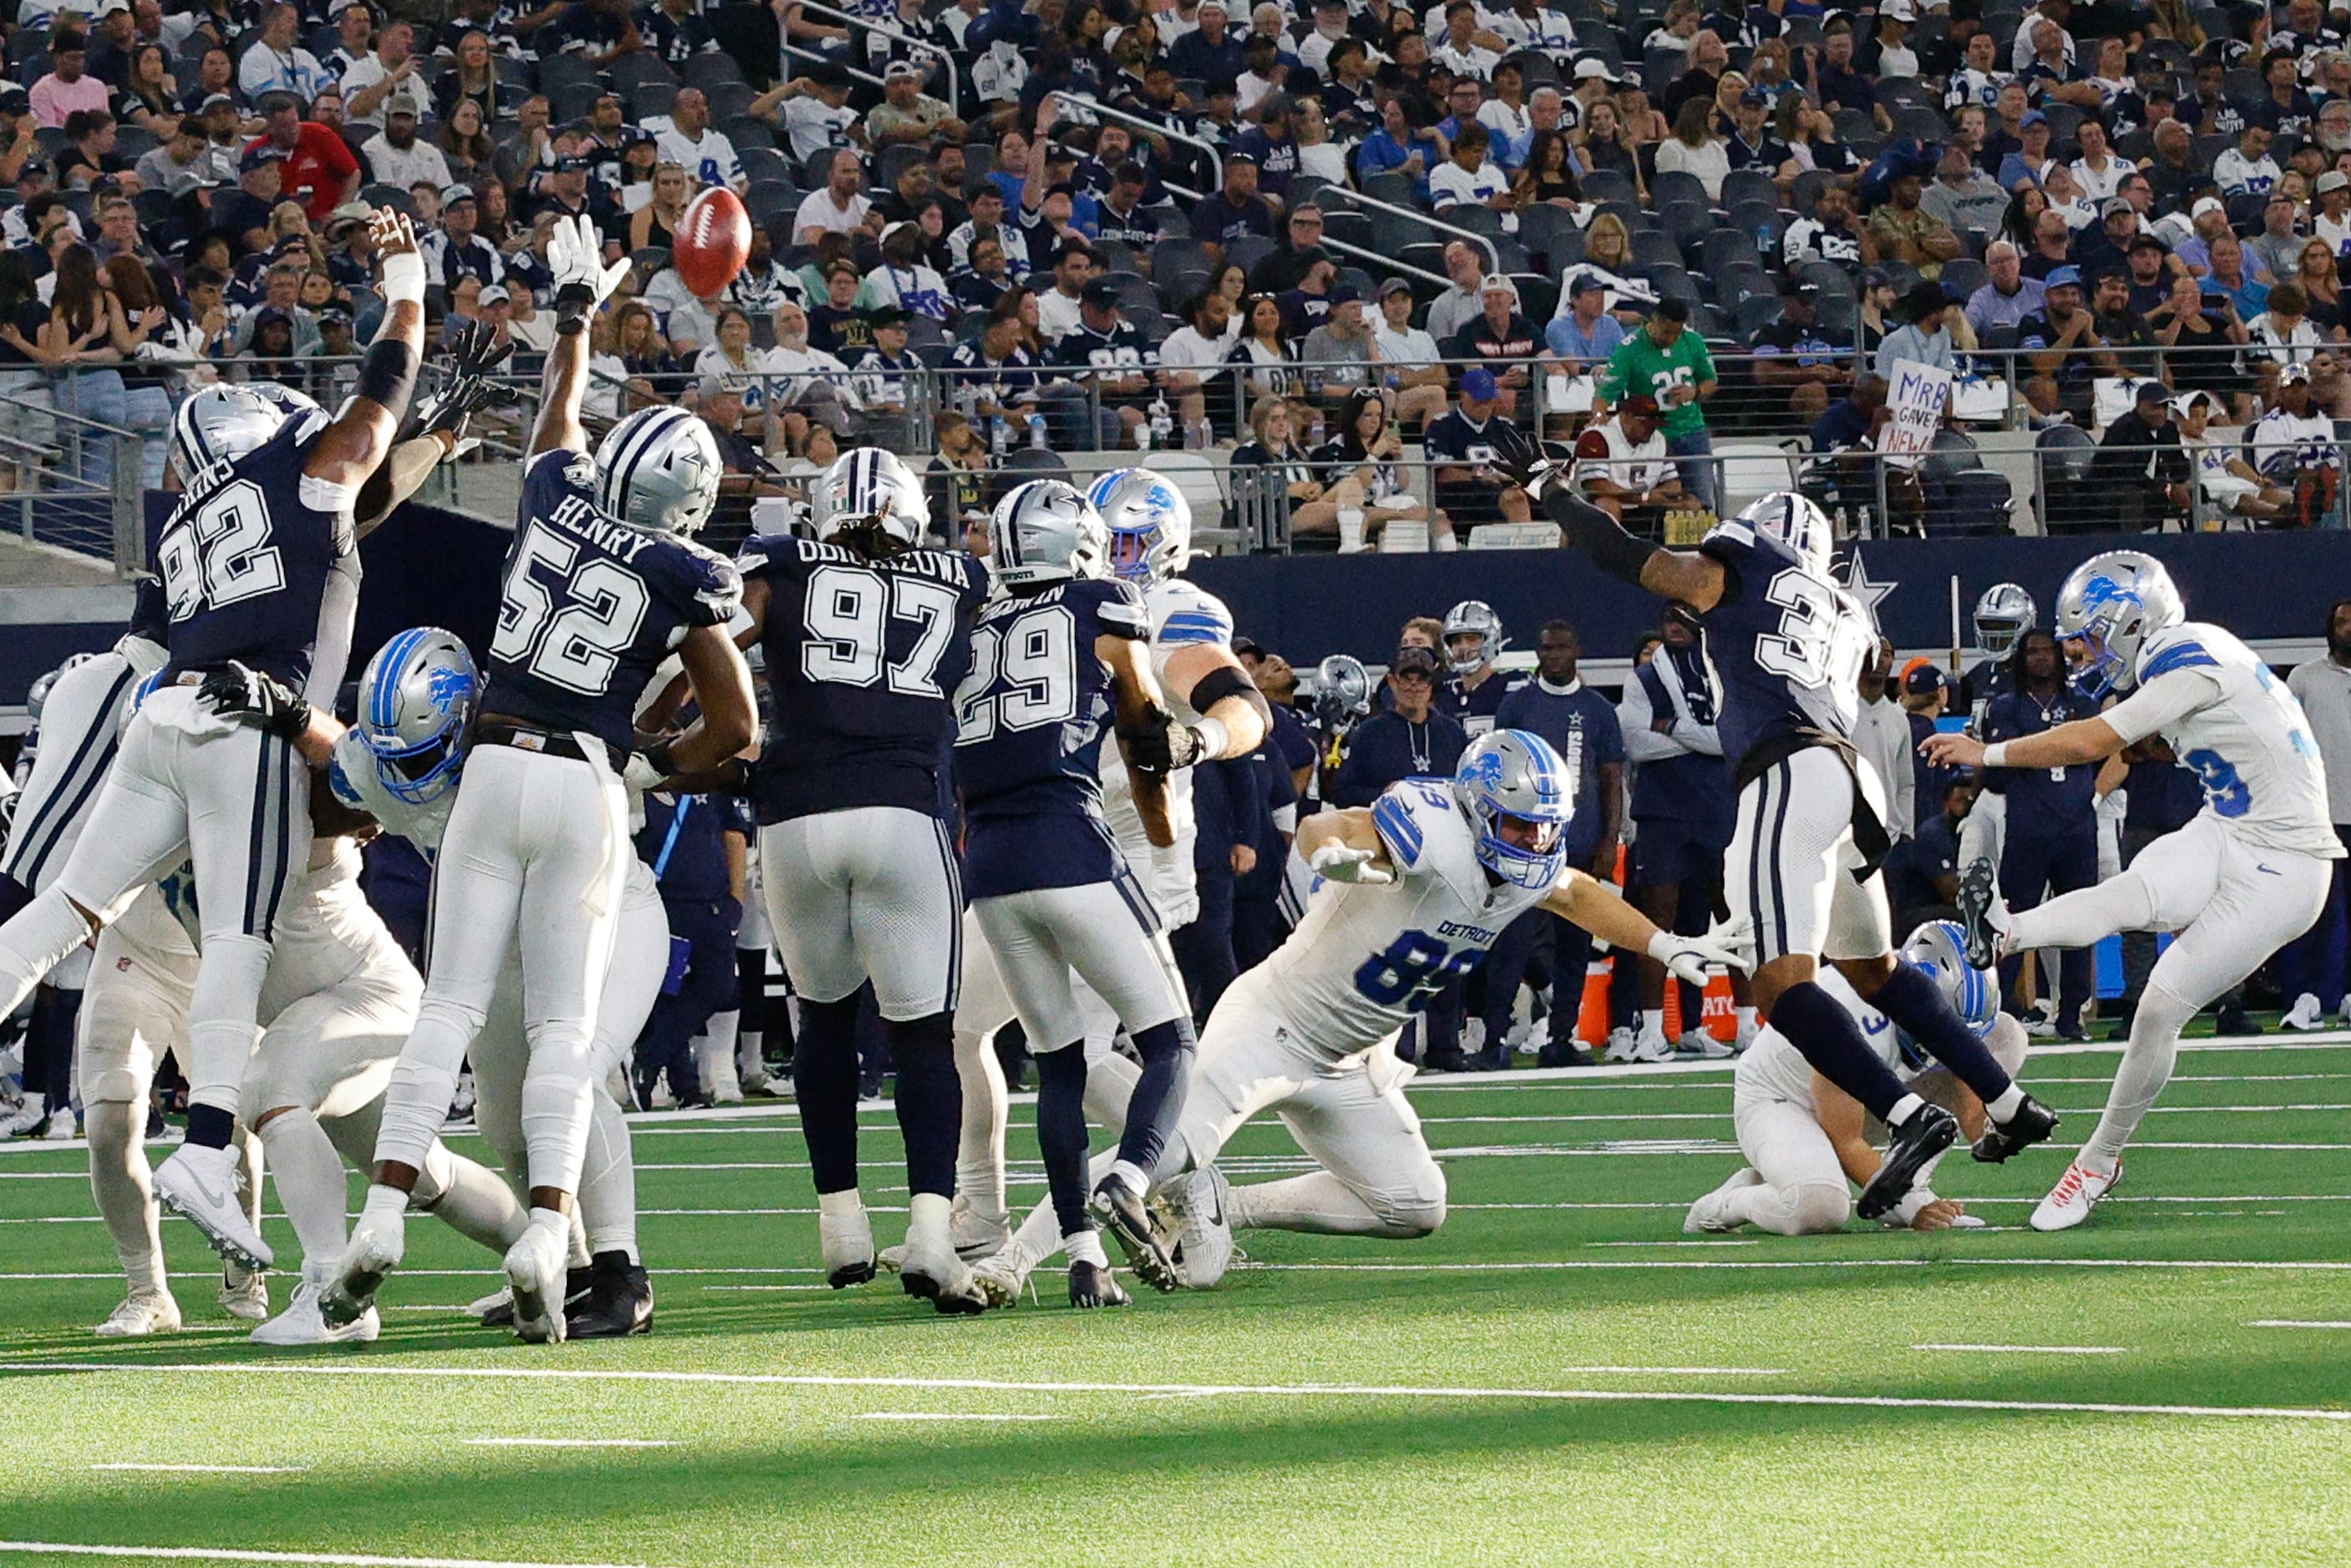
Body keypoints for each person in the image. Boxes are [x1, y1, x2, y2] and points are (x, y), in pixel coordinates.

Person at [321, 217, 753, 1345]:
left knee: (451, 1006)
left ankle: (384, 1223)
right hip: (587, 789)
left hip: (497, 770)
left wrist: (573, 315)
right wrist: (663, 762)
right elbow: (739, 725)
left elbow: (559, 415)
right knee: (553, 1033)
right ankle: (544, 1235)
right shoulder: (682, 569)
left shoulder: (557, 497)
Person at [0, 213, 429, 1272]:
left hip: (163, 720)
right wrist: (406, 279)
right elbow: (385, 381)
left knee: (63, 910)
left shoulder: (186, 522)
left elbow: (301, 548)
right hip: (249, 723)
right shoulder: (305, 467)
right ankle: (201, 1148)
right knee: (239, 938)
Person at [1527, 466, 2060, 1221]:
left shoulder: (1744, 569)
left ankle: (1908, 1120)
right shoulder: (1848, 612)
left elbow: (1620, 553)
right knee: (1873, 971)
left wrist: (1552, 491)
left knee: (1778, 985)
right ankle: (2008, 1103)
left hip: (1789, 773)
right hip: (1853, 784)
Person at [1121, 731, 1744, 1289]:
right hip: (1281, 1019)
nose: (1536, 841)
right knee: (1162, 1153)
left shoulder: (1529, 866)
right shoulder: (1435, 831)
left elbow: (1575, 892)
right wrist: (1326, 853)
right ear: (1475, 810)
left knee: (1414, 1205)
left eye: (1545, 827)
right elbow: (1329, 824)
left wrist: (1661, 942)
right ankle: (1054, 1239)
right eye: (1519, 827)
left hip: (1353, 1053)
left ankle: (1224, 1204)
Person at [1923, 552, 2339, 1230]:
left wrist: (1983, 753)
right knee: (2136, 891)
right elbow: (2192, 742)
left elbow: (2087, 741)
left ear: (2127, 619)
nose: (2081, 652)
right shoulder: (2189, 652)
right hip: (2229, 826)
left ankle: (2097, 1160)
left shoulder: (2187, 655)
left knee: (2157, 1008)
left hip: (2286, 867)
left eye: (2087, 636)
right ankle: (2002, 931)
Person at [732, 448, 990, 1311]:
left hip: (793, 814)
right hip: (901, 812)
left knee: (824, 1023)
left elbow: (709, 641)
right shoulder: (962, 576)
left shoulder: (778, 563)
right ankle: (926, 1235)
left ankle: (840, 1221)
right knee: (923, 1037)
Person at [954, 480, 1200, 1303]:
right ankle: (1128, 1177)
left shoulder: (971, 623)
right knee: (1170, 1041)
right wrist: (1163, 823)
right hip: (1070, 841)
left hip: (987, 865)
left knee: (1059, 1065)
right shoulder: (1102, 602)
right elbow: (1142, 729)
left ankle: (1083, 1261)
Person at [1688, 923, 2024, 1235]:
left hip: (1863, 1097)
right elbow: (1846, 1139)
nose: (1947, 1042)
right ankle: (1728, 1202)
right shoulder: (1852, 1017)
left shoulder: (1933, 1012)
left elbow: (1972, 1118)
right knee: (1821, 1208)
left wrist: (2008, 1124)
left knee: (2007, 1037)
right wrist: (1911, 1206)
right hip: (1781, 1100)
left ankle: (1887, 1177)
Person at [1478, 623, 1624, 1070]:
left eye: (1561, 648)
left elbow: (1611, 779)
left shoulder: (1597, 709)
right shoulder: (1517, 704)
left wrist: (1609, 841)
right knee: (1512, 943)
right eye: (1545, 648)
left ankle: (1561, 1037)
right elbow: (1495, 770)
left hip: (1579, 845)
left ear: (1578, 650)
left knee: (1573, 947)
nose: (1553, 656)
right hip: (1524, 848)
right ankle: (1493, 1040)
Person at [1613, 604, 1741, 1061]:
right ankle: (1652, 1030)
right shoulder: (1643, 678)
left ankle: (1725, 1025)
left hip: (1716, 808)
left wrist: (1673, 727)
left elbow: (1732, 739)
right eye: (1666, 615)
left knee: (1722, 920)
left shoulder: (1721, 671)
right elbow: (1637, 744)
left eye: (1683, 616)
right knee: (1656, 923)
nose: (1673, 623)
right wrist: (1700, 739)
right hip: (1662, 813)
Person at [2283, 599, 2351, 1031]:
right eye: (2342, 622)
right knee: (2313, 911)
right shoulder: (2303, 678)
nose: (2348, 628)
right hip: (2319, 816)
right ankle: (2305, 998)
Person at [1598, 299, 1720, 511]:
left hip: (1692, 432)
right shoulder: (1630, 348)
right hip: (1652, 437)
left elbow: (1711, 381)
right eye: (1666, 332)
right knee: (1659, 501)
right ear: (1654, 321)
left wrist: (1695, 391)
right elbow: (1605, 391)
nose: (1672, 339)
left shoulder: (1692, 340)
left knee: (1703, 502)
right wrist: (1599, 416)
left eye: (1677, 333)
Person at [1425, 367, 1531, 534]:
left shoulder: (1505, 427)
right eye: (1478, 400)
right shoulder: (1442, 426)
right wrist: (1481, 476)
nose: (1484, 406)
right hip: (1462, 496)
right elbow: (1444, 474)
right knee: (1514, 499)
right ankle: (1527, 555)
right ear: (1463, 395)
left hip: (1501, 489)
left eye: (1488, 400)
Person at [1436, 600, 1517, 739]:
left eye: (1472, 639)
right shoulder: (1441, 694)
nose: (1463, 647)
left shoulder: (1513, 689)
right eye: (1456, 641)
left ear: (1491, 640)